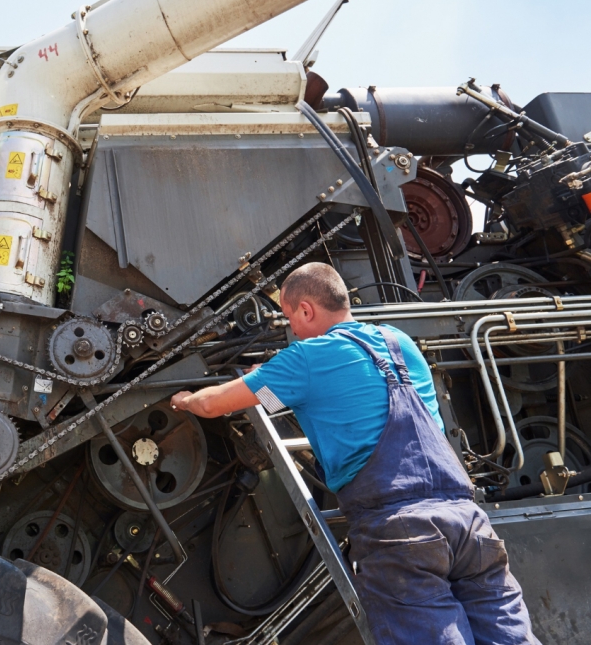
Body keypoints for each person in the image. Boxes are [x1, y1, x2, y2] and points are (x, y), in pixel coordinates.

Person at [170, 263, 538, 645]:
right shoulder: (399, 342)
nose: (290, 329)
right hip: (468, 524)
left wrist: (184, 399)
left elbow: (216, 405)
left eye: (288, 316)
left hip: (401, 533)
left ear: (307, 310)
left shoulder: (307, 359)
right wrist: (276, 377)